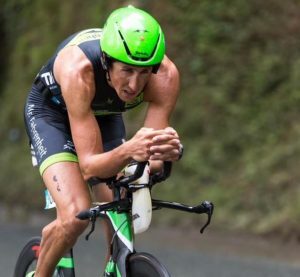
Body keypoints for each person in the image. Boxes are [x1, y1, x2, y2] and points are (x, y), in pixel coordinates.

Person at [24, 5, 182, 277]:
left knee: (121, 201)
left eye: (145, 72)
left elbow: (149, 160)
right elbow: (89, 167)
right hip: (52, 114)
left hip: (104, 115)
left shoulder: (165, 77)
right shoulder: (79, 70)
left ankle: (114, 267)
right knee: (76, 214)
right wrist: (130, 150)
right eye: (127, 70)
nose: (135, 84)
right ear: (107, 61)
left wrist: (167, 153)